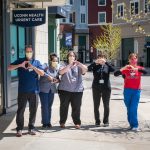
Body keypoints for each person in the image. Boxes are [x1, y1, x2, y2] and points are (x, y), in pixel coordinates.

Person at [8, 46, 44, 137]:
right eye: (27, 51)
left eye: (30, 51)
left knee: (33, 110)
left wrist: (33, 67)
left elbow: (42, 73)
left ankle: (31, 127)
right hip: (22, 91)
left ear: (33, 52)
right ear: (25, 52)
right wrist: (20, 65)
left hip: (34, 91)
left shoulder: (36, 62)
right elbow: (9, 68)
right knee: (21, 110)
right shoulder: (20, 60)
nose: (28, 53)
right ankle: (19, 129)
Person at [114, 53, 147, 131]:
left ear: (137, 59)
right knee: (129, 108)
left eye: (134, 58)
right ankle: (131, 124)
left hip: (136, 91)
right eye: (131, 59)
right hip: (127, 91)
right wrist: (124, 67)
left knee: (133, 108)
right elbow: (115, 74)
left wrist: (137, 69)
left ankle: (135, 125)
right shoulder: (126, 69)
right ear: (129, 60)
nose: (133, 60)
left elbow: (146, 72)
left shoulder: (139, 68)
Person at [58, 51, 87, 129]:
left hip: (77, 90)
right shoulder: (63, 64)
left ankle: (77, 122)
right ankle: (62, 122)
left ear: (75, 57)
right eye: (70, 56)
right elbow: (61, 72)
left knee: (76, 107)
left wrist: (79, 64)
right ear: (67, 57)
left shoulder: (78, 65)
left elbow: (85, 70)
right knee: (64, 107)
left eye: (73, 56)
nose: (72, 57)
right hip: (65, 90)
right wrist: (70, 65)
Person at [88, 54, 115, 127]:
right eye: (99, 58)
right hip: (96, 87)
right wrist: (95, 62)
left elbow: (113, 70)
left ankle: (106, 121)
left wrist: (106, 63)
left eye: (102, 58)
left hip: (106, 88)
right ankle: (97, 121)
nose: (101, 59)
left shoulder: (107, 66)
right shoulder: (95, 66)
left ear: (105, 59)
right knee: (96, 105)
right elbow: (88, 68)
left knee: (106, 105)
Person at [39, 53, 59, 128]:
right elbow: (41, 71)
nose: (55, 62)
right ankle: (45, 122)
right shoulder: (45, 65)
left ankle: (48, 122)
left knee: (49, 106)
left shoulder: (56, 69)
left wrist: (57, 80)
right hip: (43, 89)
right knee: (44, 106)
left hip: (52, 90)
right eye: (54, 60)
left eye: (57, 61)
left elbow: (57, 78)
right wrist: (48, 76)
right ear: (50, 60)